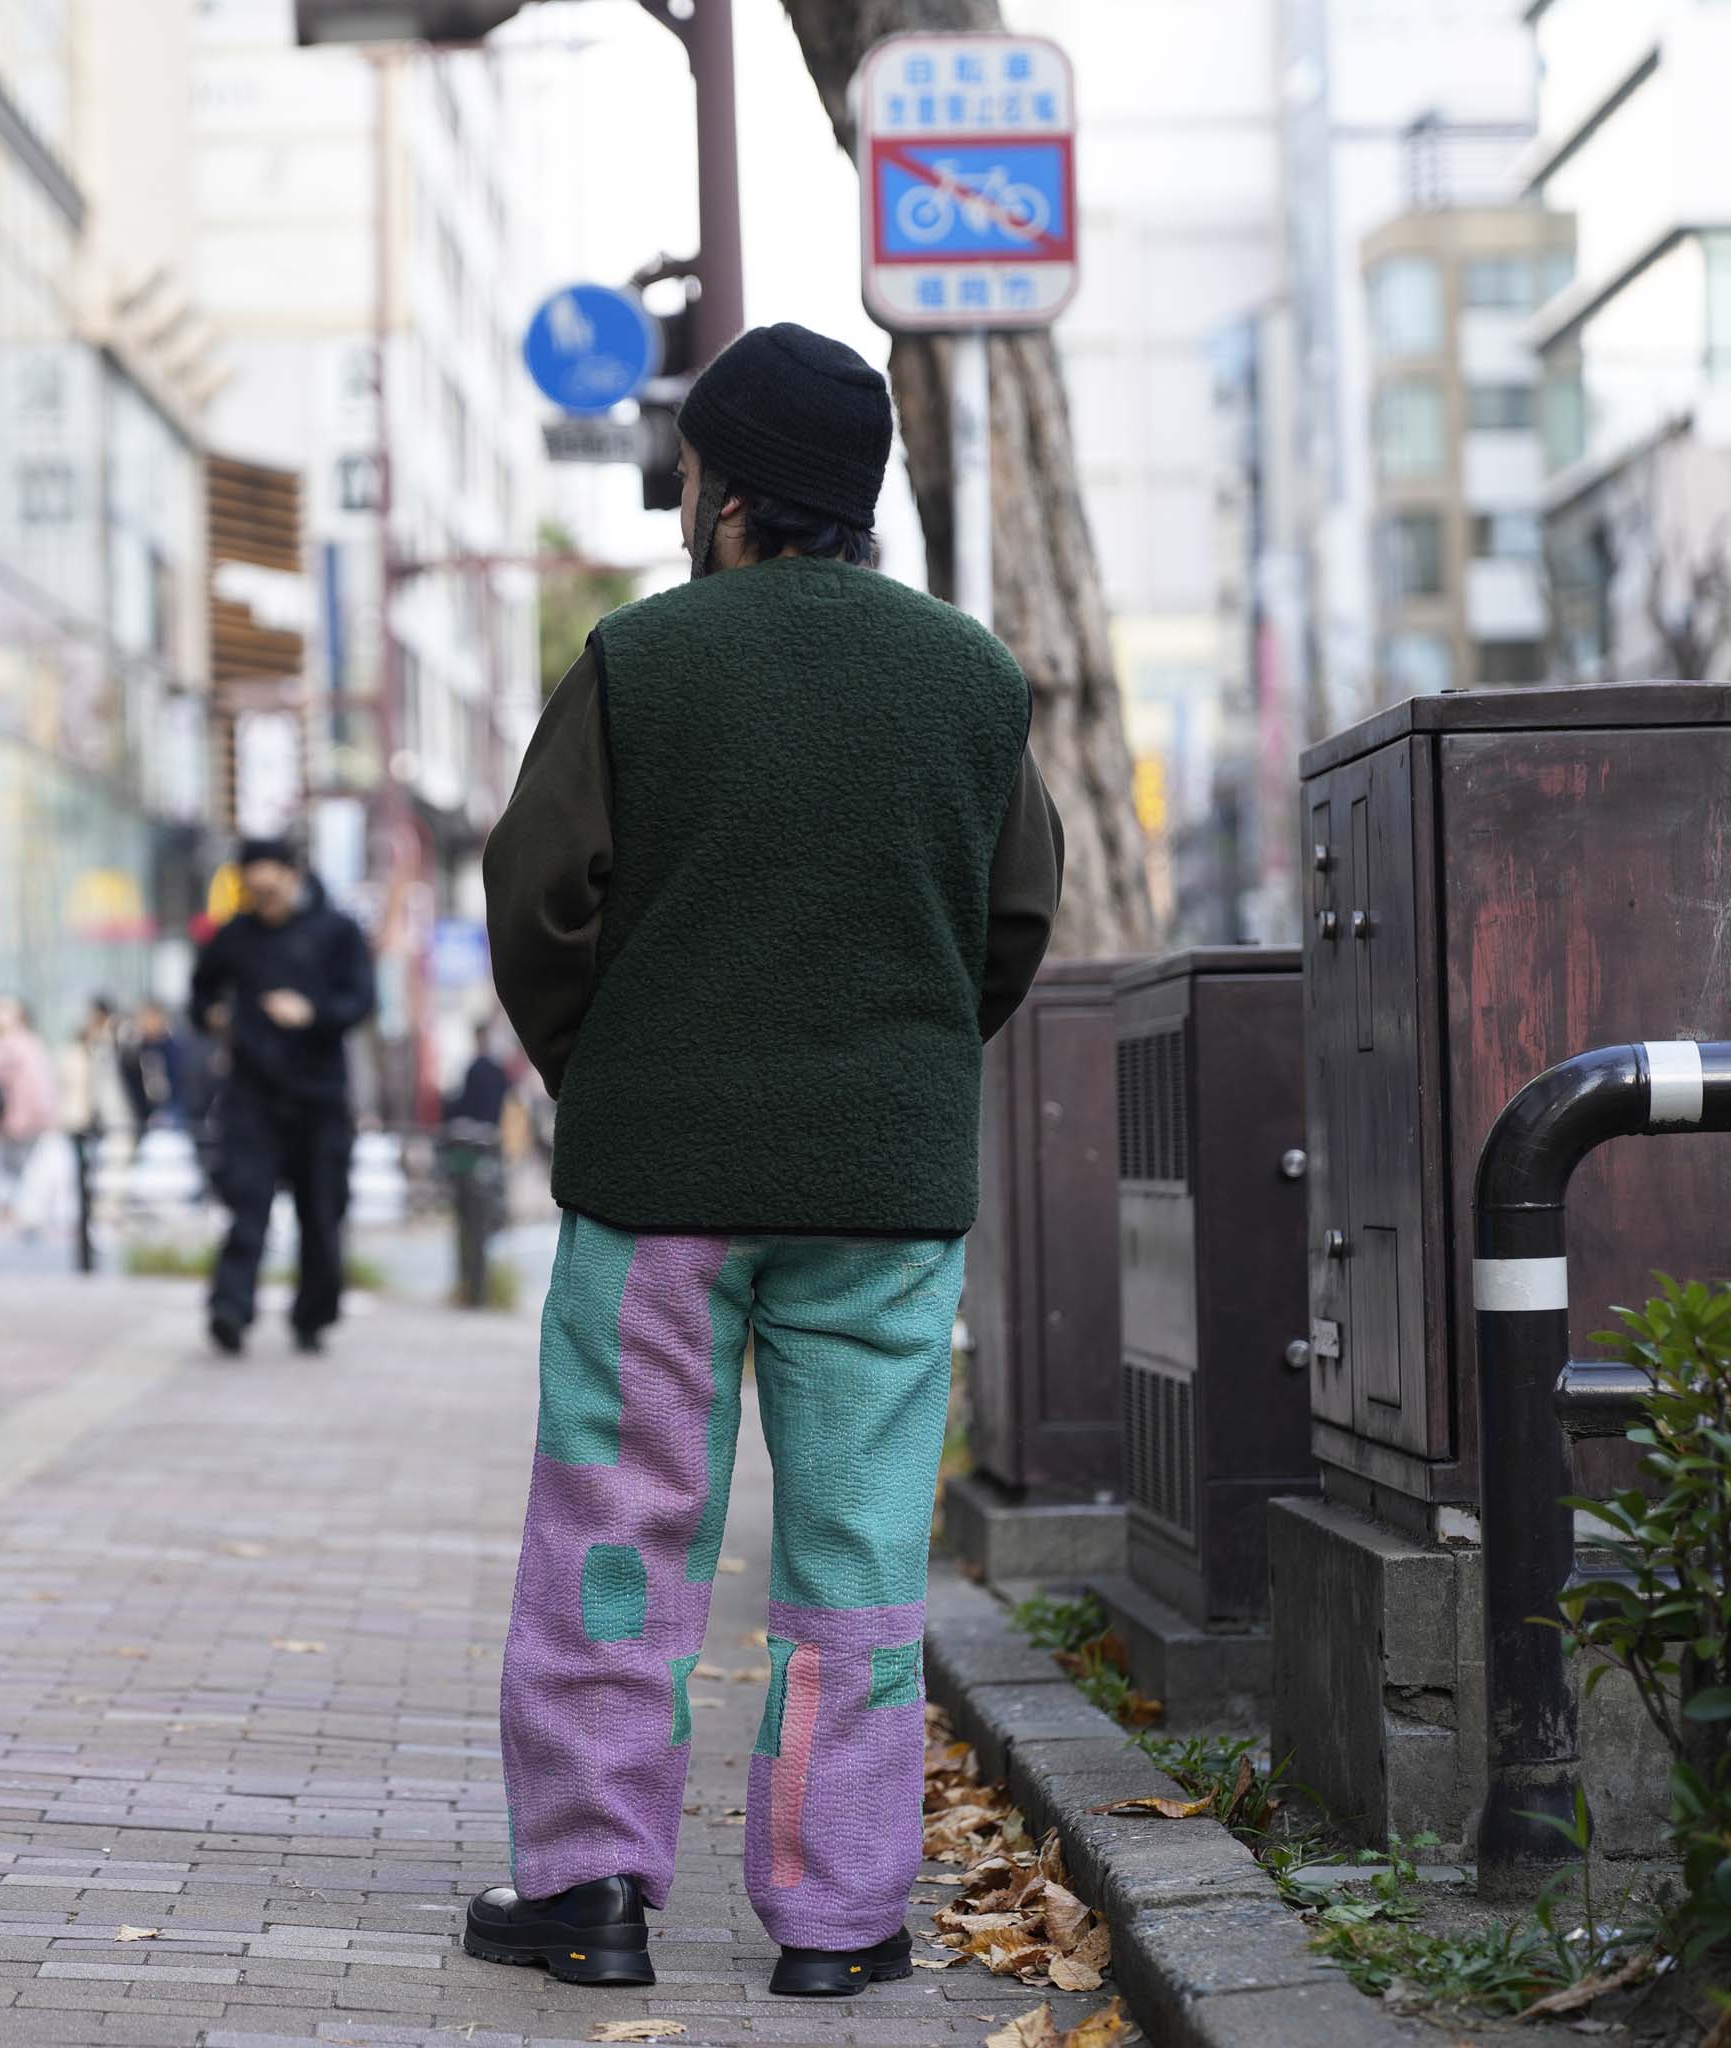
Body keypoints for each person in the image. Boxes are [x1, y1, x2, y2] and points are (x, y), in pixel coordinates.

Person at [466, 325, 1062, 1999]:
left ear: (728, 497)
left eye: (687, 481)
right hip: (882, 1197)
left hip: (656, 1192)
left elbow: (535, 894)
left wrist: (615, 1067)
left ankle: (590, 1892)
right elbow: (1010, 919)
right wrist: (900, 1061)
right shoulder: (970, 677)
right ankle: (839, 1914)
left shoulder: (640, 663)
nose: (678, 509)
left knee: (617, 1530)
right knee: (858, 1551)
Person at [190, 837, 376, 1357]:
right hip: (252, 1094)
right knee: (246, 1204)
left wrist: (311, 1011)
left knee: (321, 1212)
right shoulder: (235, 935)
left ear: (295, 876)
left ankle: (313, 1316)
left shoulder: (338, 931)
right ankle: (229, 1309)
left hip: (319, 1097)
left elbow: (361, 999)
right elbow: (200, 991)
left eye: (271, 889)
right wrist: (213, 1015)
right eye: (254, 891)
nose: (264, 900)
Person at [440, 1023, 511, 1310]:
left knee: (467, 1222)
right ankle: (478, 1291)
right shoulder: (498, 1073)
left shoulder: (472, 1070)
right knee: (483, 1221)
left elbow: (456, 1108)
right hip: (490, 1149)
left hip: (467, 1149)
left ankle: (469, 1287)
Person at [0, 996, 59, 1230]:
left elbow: (38, 1087)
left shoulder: (7, 1046)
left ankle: (14, 1214)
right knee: (11, 1171)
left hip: (16, 1121)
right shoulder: (27, 1044)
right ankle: (14, 1214)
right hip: (13, 1122)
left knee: (12, 1171)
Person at [120, 1000, 187, 1134]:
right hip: (145, 1115)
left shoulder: (173, 1047)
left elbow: (180, 1081)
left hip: (172, 1113)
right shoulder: (137, 1050)